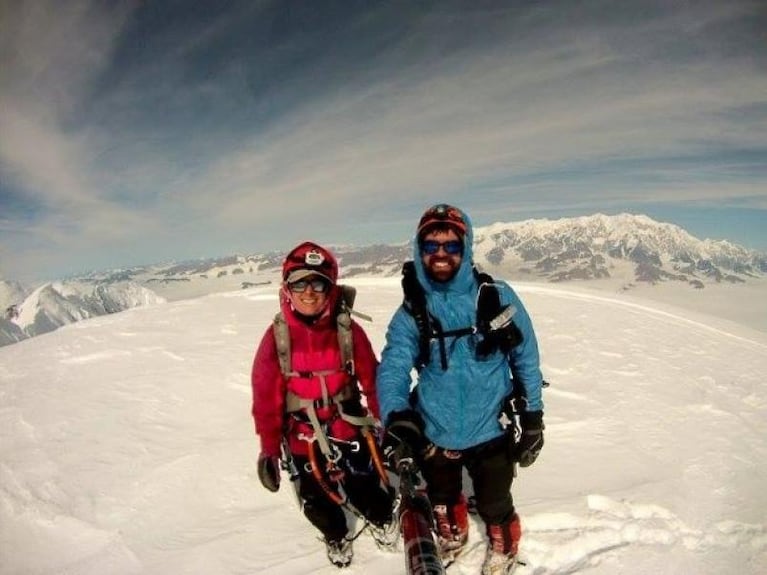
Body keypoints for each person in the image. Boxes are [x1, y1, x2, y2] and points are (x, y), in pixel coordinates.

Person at [376, 204, 545, 575]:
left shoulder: (498, 297)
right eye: (431, 245)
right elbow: (392, 368)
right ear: (419, 250)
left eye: (451, 246)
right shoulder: (412, 312)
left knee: (496, 501)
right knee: (443, 496)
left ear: (465, 249)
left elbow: (526, 358)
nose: (440, 254)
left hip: (492, 428)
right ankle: (452, 533)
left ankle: (504, 543)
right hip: (436, 431)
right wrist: (397, 416)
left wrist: (533, 417)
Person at [251, 241, 397, 568]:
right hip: (302, 438)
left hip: (348, 426)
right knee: (315, 498)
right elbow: (266, 399)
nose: (308, 291)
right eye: (299, 282)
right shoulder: (277, 338)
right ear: (286, 288)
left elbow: (373, 382)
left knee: (365, 483)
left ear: (331, 287)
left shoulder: (347, 330)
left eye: (317, 282)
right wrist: (269, 450)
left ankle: (381, 517)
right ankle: (334, 533)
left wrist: (387, 426)